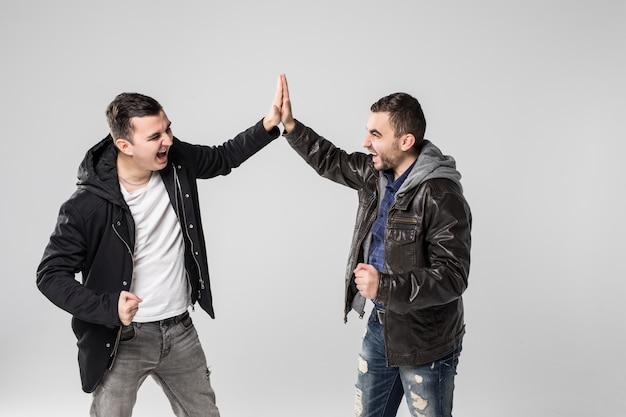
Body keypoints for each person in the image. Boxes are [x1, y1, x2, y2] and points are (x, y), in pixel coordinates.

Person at [36, 78, 284, 416]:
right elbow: (50, 275)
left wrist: (268, 126)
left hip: (179, 329)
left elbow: (222, 158)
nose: (167, 140)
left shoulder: (176, 162)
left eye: (167, 129)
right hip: (123, 337)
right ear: (124, 145)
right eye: (155, 137)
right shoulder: (86, 206)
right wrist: (108, 307)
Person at [278, 74, 472, 417]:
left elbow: (453, 277)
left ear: (406, 140)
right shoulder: (375, 173)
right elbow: (331, 160)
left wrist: (385, 285)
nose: (366, 142)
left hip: (426, 338)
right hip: (381, 326)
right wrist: (292, 126)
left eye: (376, 135)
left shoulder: (440, 194)